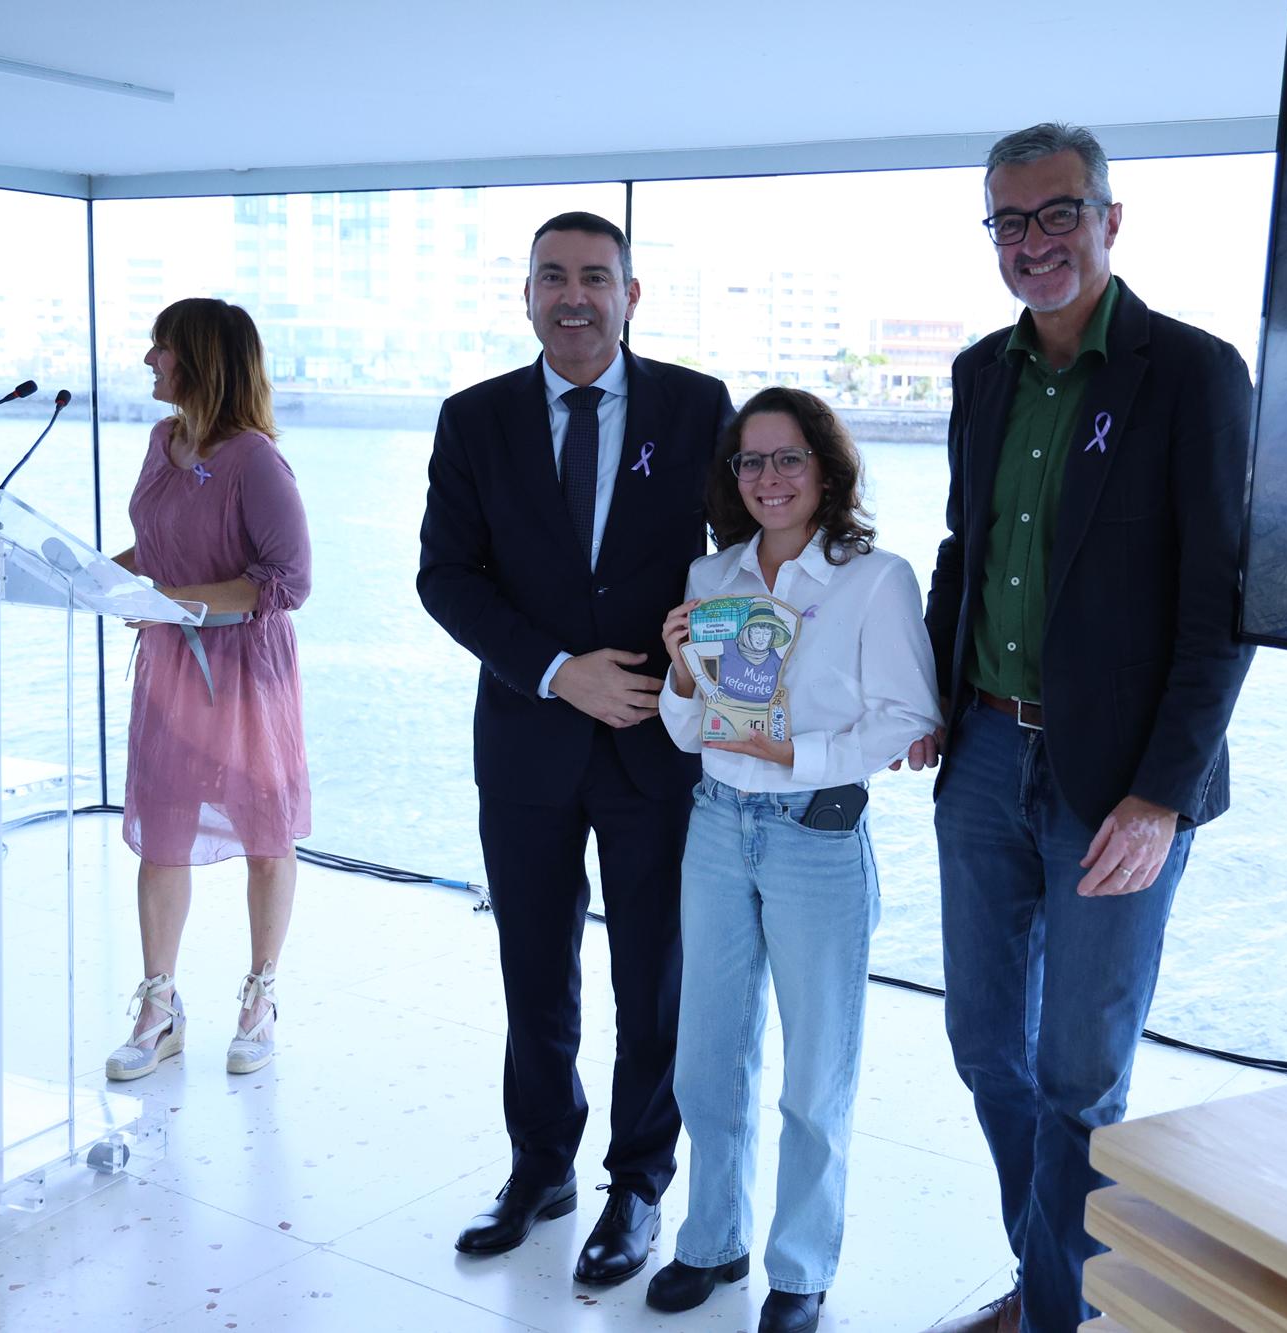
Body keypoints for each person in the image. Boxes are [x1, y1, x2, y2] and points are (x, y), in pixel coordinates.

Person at [914, 124, 1255, 1333]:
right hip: (985, 748)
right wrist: (931, 702)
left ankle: (1053, 1312)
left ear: (1112, 218)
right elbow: (967, 550)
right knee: (979, 1045)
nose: (1030, 243)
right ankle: (1061, 1278)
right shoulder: (978, 374)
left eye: (1054, 214)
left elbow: (1223, 605)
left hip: (1117, 779)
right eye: (1007, 222)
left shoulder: (1194, 373)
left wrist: (1160, 795)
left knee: (1077, 1073)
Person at [417, 211, 734, 1285]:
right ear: (525, 294)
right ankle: (539, 1165)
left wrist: (719, 687)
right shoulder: (474, 419)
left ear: (630, 294)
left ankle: (637, 1182)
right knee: (532, 970)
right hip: (526, 742)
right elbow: (445, 578)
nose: (573, 296)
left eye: (595, 277)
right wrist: (559, 670)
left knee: (654, 976)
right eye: (552, 276)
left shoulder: (696, 408)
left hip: (655, 742)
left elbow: (741, 559)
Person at [648, 388, 939, 1333]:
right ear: (732, 478)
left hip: (817, 835)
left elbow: (907, 717)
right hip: (717, 829)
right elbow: (692, 729)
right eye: (751, 461)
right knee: (707, 1057)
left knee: (816, 1076)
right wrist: (683, 673)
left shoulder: (876, 578)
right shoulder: (713, 573)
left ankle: (801, 1266)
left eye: (787, 458)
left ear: (825, 468)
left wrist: (798, 757)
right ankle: (712, 1239)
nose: (769, 478)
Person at [106, 297, 312, 1084]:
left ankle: (259, 1001)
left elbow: (289, 580)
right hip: (169, 668)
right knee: (162, 836)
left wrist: (176, 600)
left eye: (159, 347)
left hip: (244, 675)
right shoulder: (164, 442)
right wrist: (97, 577)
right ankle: (159, 1009)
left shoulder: (255, 458)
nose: (149, 361)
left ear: (197, 358)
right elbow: (158, 550)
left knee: (266, 835)